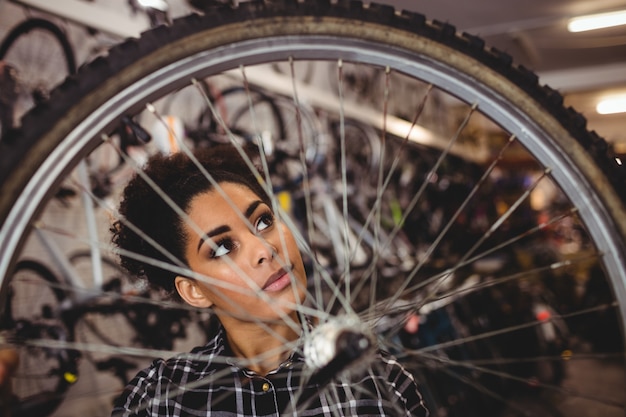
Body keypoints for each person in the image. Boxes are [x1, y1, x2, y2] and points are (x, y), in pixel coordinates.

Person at [110, 144, 428, 416]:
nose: (264, 249)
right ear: (193, 290)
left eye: (263, 221)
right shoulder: (158, 400)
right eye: (222, 247)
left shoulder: (380, 380)